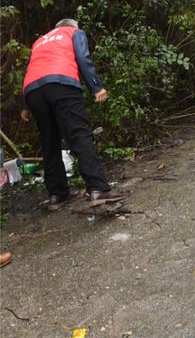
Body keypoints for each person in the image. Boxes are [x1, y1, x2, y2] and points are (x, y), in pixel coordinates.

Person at [21, 19, 122, 209]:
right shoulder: (74, 32)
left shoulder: (40, 41)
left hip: (33, 91)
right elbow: (83, 58)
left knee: (49, 141)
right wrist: (96, 87)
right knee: (79, 134)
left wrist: (27, 106)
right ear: (71, 26)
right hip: (61, 83)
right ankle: (98, 189)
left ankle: (57, 195)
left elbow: (34, 69)